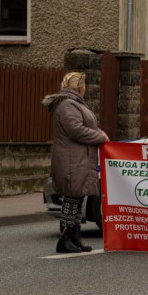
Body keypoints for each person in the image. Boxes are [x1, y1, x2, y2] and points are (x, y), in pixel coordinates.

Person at [43, 72, 109, 253]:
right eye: (84, 84)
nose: (86, 87)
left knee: (77, 199)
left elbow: (85, 127)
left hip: (77, 159)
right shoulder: (67, 105)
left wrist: (98, 132)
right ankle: (64, 240)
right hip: (71, 160)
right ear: (79, 87)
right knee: (71, 200)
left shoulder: (74, 103)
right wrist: (100, 137)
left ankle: (75, 238)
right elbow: (76, 130)